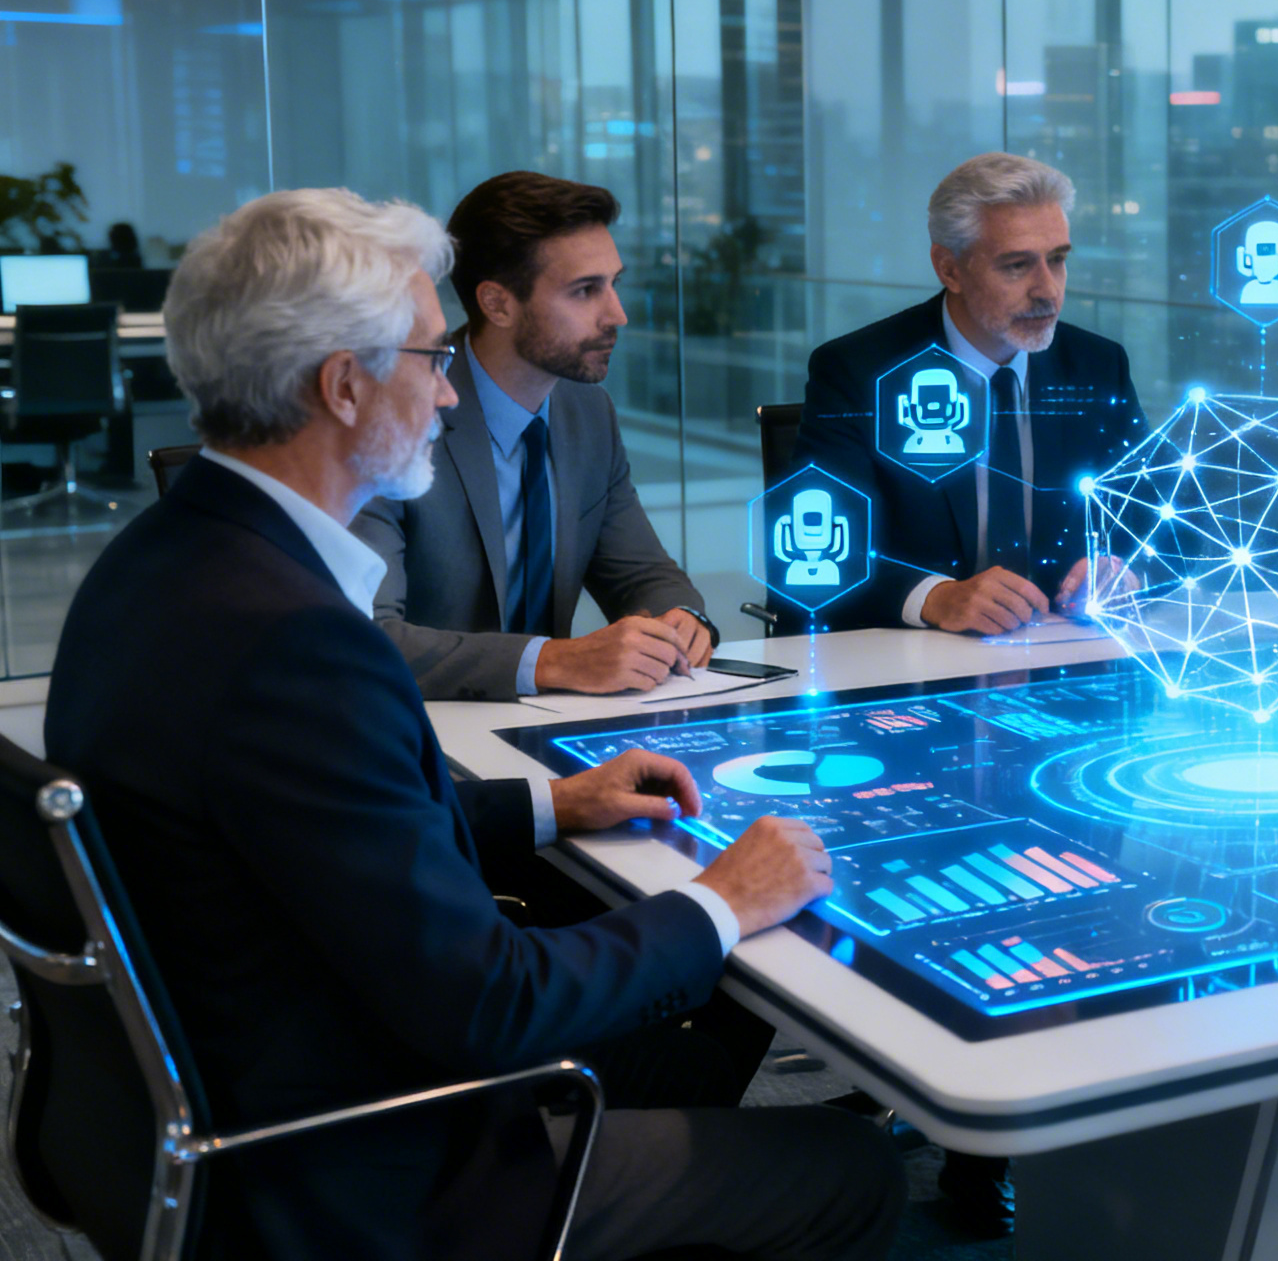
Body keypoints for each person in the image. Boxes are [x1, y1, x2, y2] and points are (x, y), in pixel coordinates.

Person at [44, 187, 902, 1259]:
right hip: (366, 1160)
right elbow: (491, 1005)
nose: (449, 395)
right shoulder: (299, 645)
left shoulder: (161, 564)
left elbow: (328, 816)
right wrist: (721, 900)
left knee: (716, 1010)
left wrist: (552, 802)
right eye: (429, 358)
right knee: (854, 1170)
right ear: (344, 387)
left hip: (261, 1062)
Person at [352, 171, 716, 703]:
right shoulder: (398, 417)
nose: (618, 315)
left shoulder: (587, 412)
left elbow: (642, 573)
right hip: (421, 741)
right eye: (586, 291)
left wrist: (680, 618)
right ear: (497, 304)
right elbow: (369, 637)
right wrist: (553, 659)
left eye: (614, 283)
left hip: (547, 731)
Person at [792, 152, 1149, 636]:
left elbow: (1161, 518)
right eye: (1017, 265)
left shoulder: (1096, 366)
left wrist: (1124, 568)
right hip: (913, 669)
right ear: (949, 268)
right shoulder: (857, 371)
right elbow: (813, 556)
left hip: (1069, 652)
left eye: (1058, 260)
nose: (1048, 291)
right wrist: (936, 596)